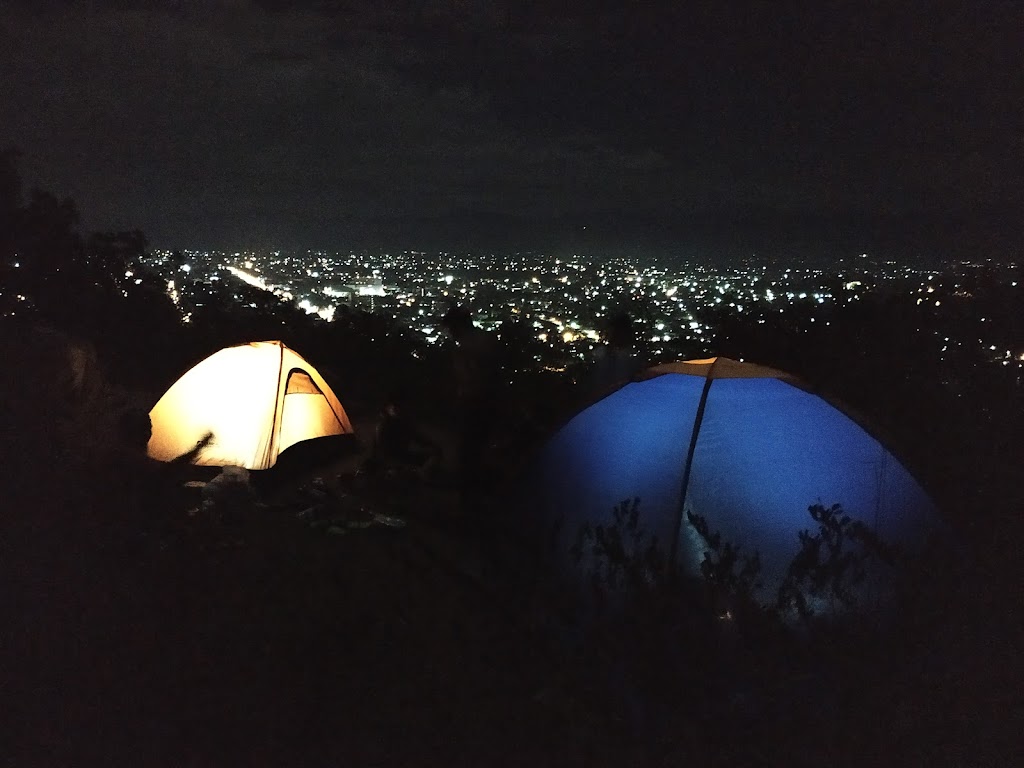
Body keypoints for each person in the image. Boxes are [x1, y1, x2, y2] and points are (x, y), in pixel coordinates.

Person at [439, 305, 505, 507]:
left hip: (476, 404)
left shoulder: (467, 348)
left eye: (451, 329)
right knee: (476, 450)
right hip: (486, 403)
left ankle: (467, 501)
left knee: (468, 452)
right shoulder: (484, 341)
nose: (450, 334)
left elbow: (471, 379)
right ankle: (474, 497)